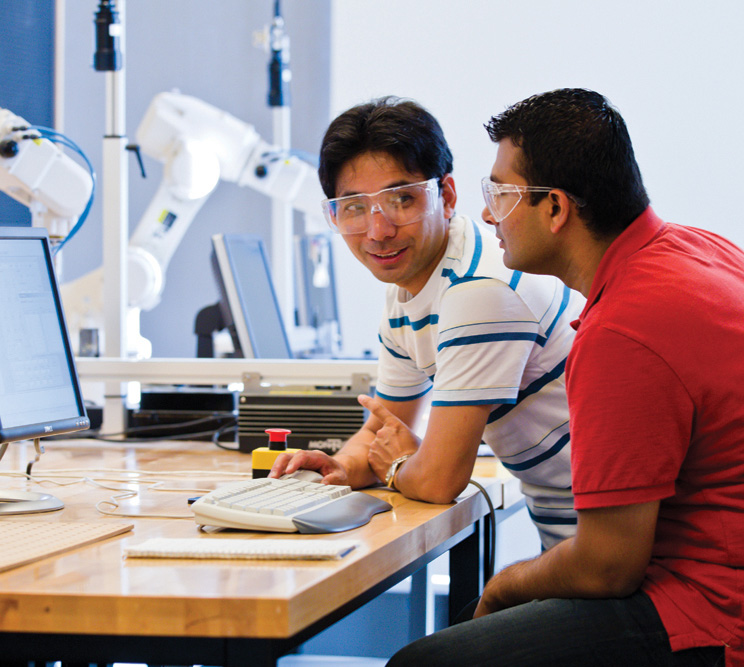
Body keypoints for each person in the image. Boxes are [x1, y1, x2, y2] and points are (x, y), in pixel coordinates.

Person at [387, 88, 744, 666]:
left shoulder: (624, 329)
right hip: (709, 572)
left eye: (500, 194)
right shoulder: (697, 249)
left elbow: (607, 567)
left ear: (556, 209)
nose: (486, 214)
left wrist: (504, 587)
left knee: (424, 663)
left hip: (711, 610)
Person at [269, 97, 583, 550]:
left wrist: (400, 466)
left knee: (480, 612)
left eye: (402, 200)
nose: (378, 231)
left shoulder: (479, 288)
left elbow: (438, 481)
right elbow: (384, 427)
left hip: (609, 554)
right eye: (354, 207)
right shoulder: (411, 285)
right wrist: (340, 466)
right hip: (570, 539)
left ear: (447, 196)